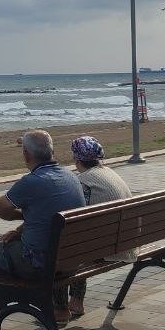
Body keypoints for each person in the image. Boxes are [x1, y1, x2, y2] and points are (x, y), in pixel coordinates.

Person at [0, 129, 85, 330]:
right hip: (71, 261)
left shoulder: (32, 182)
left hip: (41, 265)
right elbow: (50, 218)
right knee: (8, 244)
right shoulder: (70, 177)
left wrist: (23, 216)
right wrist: (25, 226)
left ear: (27, 155)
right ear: (52, 151)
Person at [59, 135, 135, 320]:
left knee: (63, 250)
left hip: (111, 247)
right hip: (128, 241)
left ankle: (61, 308)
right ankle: (75, 302)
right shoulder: (109, 172)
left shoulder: (84, 180)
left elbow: (75, 219)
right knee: (80, 244)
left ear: (77, 159)